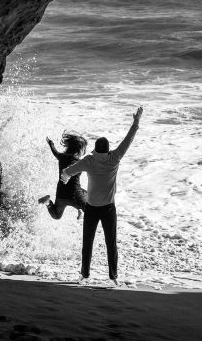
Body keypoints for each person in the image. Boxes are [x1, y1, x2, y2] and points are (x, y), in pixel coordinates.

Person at [60, 107, 143, 286]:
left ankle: (85, 276)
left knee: (87, 244)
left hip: (91, 209)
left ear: (95, 150)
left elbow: (68, 171)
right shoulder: (115, 158)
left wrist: (65, 178)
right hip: (108, 209)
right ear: (108, 150)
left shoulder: (89, 161)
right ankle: (113, 278)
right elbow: (127, 141)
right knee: (111, 244)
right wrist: (135, 123)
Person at [39, 132, 88, 220]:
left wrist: (51, 143)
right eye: (84, 148)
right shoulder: (79, 162)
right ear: (79, 149)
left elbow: (55, 152)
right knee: (91, 209)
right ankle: (81, 209)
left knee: (57, 215)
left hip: (61, 194)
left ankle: (48, 202)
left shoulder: (61, 157)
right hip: (74, 195)